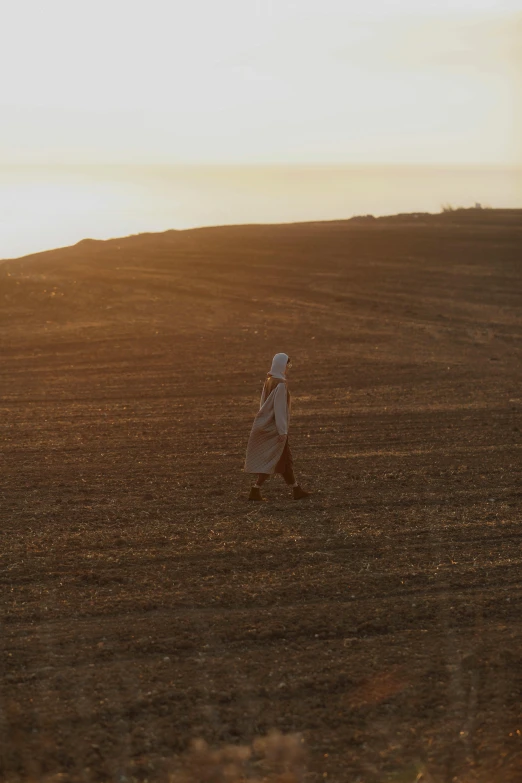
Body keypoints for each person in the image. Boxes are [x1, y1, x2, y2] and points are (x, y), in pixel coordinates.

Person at [244, 352, 310, 501]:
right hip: (276, 429)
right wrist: (282, 431)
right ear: (282, 365)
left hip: (268, 425)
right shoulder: (280, 384)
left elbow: (263, 404)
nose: (288, 368)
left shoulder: (269, 380)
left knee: (282, 460)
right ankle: (257, 490)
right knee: (278, 459)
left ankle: (295, 489)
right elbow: (279, 409)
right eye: (288, 365)